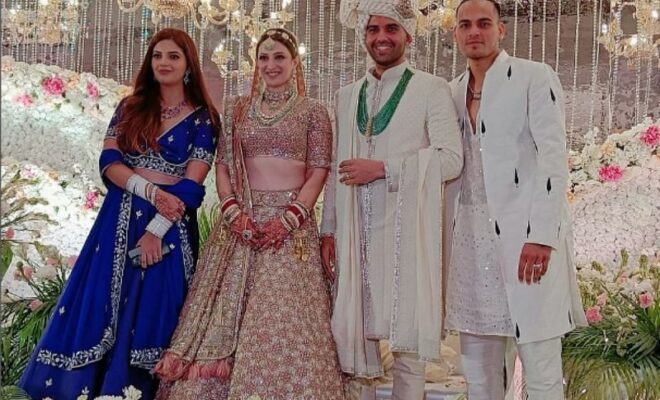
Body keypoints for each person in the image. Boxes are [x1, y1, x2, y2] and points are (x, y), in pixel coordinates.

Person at [18, 28, 219, 399]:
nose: (164, 62)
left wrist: (156, 229)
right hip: (119, 219)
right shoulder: (130, 107)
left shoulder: (203, 119)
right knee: (99, 303)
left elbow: (192, 187)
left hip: (169, 229)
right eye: (157, 55)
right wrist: (151, 191)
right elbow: (110, 162)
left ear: (189, 65)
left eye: (173, 56)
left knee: (156, 309)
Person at [153, 28, 345, 399]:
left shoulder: (314, 112)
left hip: (291, 229)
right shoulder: (237, 109)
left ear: (295, 62)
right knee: (226, 314)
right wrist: (232, 211)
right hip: (241, 225)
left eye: (279, 57)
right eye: (263, 58)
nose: (271, 65)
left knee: (281, 313)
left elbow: (319, 170)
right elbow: (223, 165)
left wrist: (289, 219)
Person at [444, 1, 587, 399]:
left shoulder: (533, 77)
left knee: (541, 369)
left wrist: (541, 236)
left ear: (501, 30)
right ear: (455, 34)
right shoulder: (450, 92)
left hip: (525, 240)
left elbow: (553, 160)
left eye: (484, 23)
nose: (475, 32)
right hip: (469, 245)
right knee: (477, 374)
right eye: (465, 25)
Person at [321, 1, 463, 398]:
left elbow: (451, 159)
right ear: (364, 37)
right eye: (373, 30)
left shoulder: (430, 88)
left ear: (408, 36)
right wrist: (328, 230)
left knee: (408, 347)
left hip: (407, 231)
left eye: (390, 29)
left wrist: (384, 169)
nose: (381, 37)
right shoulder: (347, 96)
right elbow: (334, 168)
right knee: (356, 344)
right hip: (355, 233)